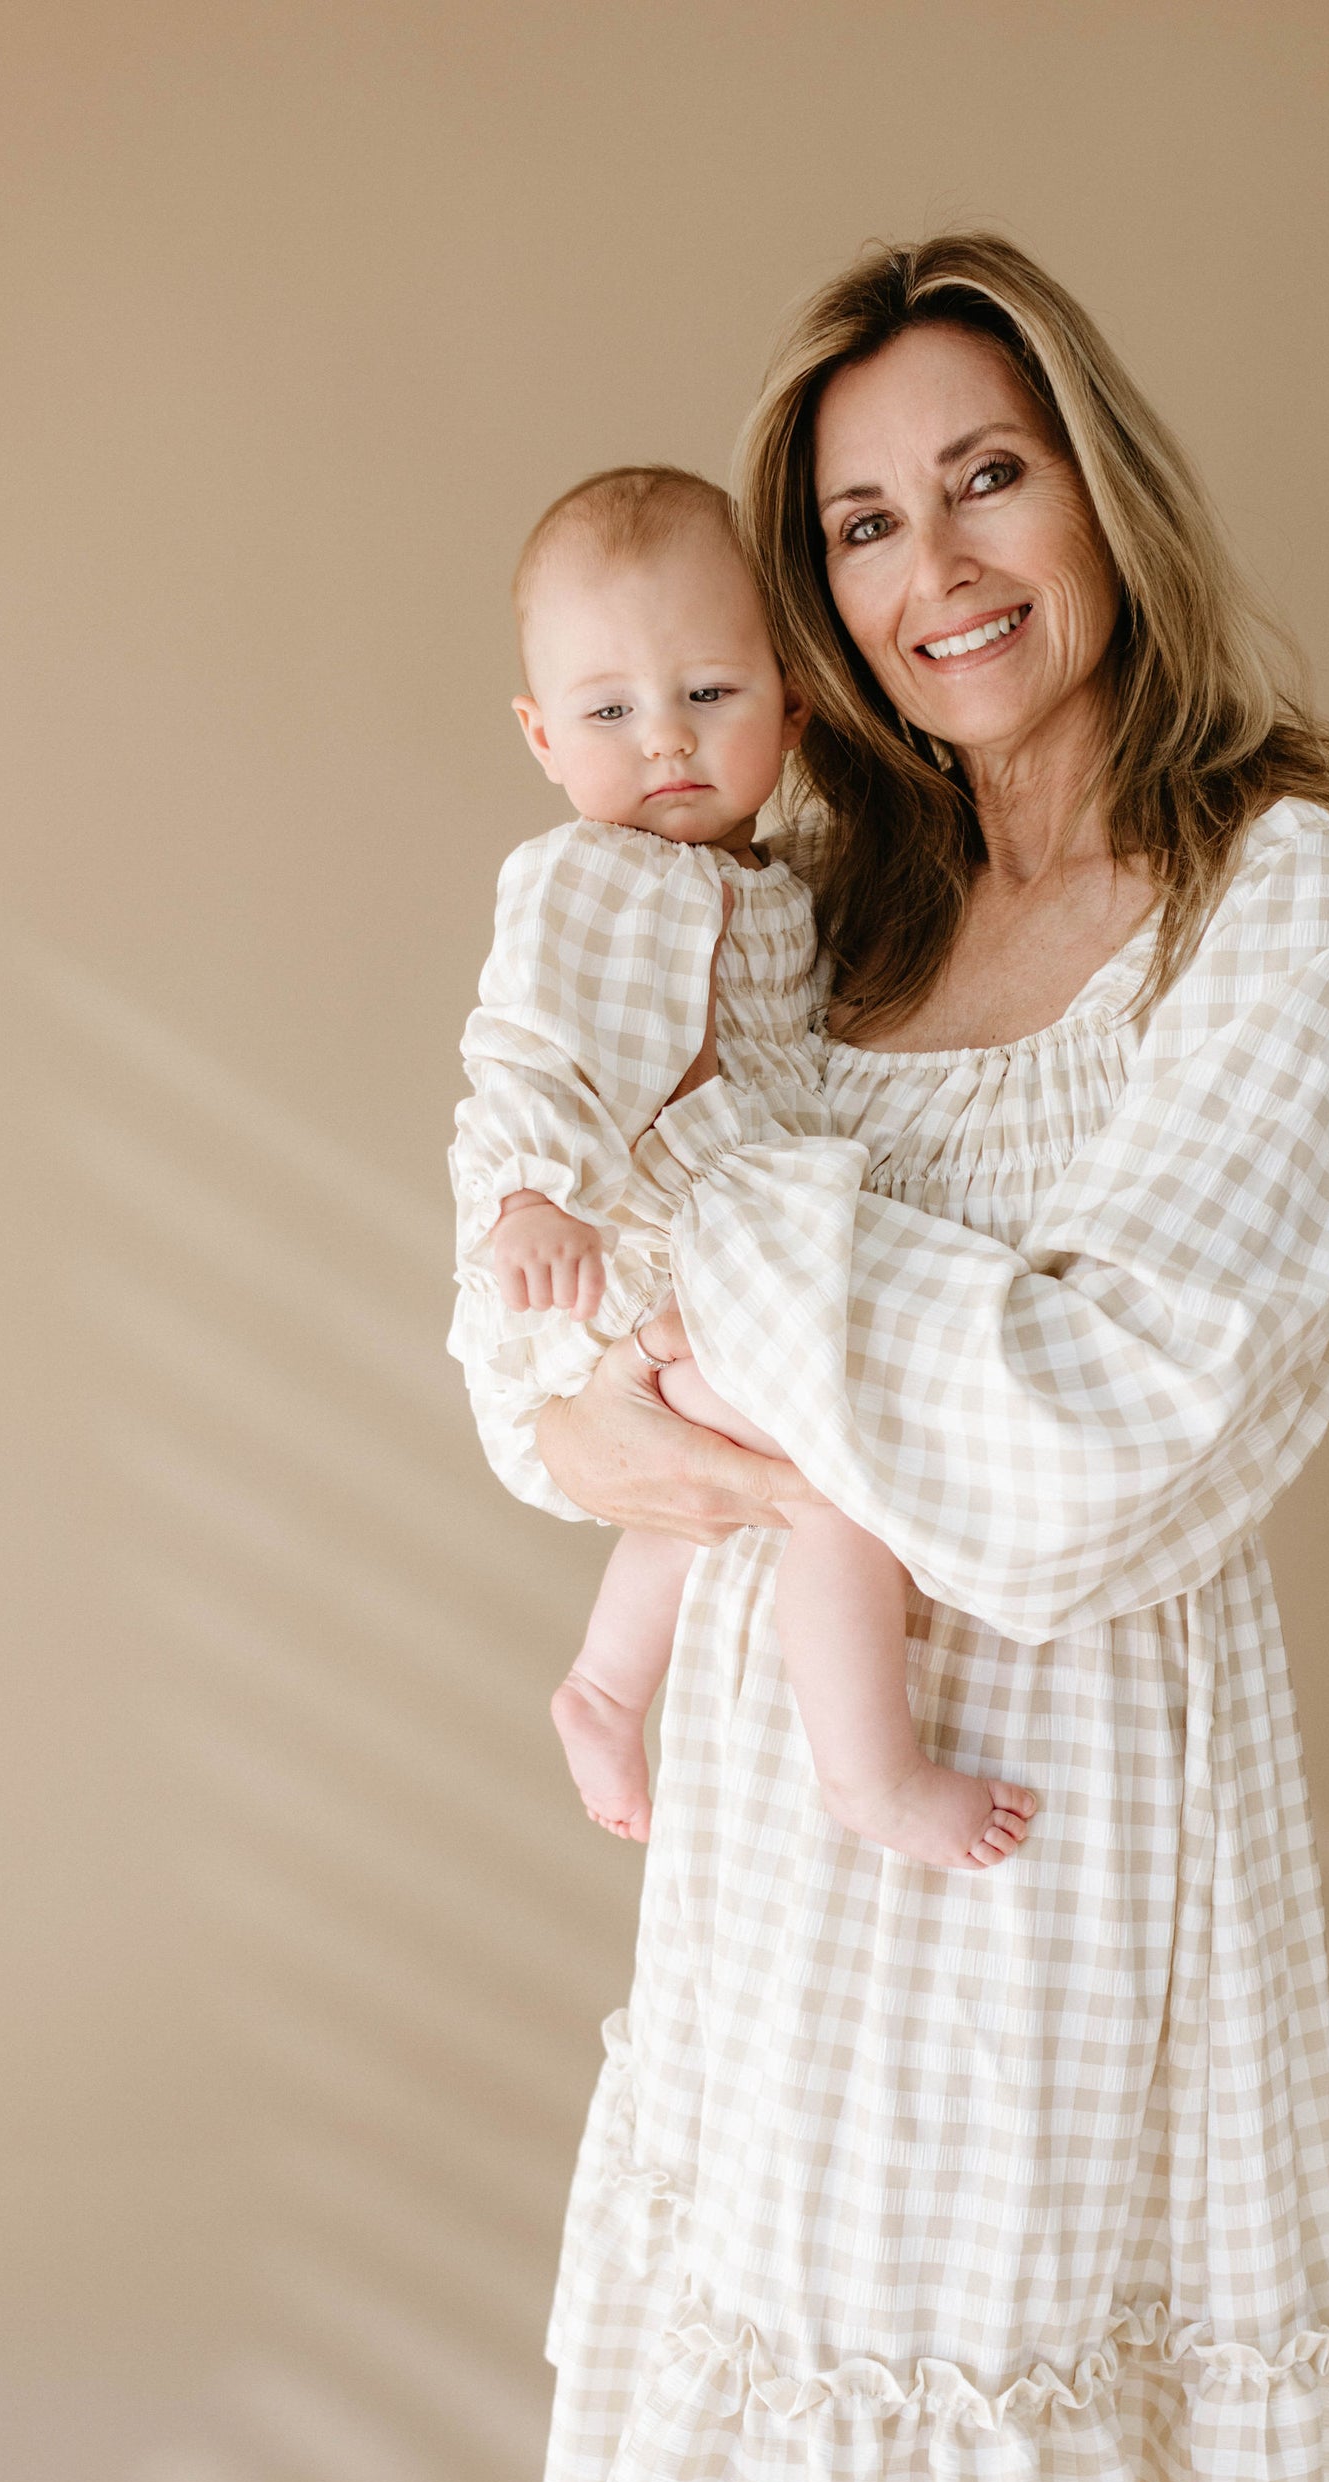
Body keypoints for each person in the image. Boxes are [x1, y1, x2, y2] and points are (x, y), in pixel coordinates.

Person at [453, 234, 1329, 2482]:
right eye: (865, 520)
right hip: (778, 1853)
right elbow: (533, 1301)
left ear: (1094, 483)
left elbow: (1092, 1446)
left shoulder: (1284, 893)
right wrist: (593, 1387)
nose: (938, 563)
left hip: (1035, 1833)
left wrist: (713, 1238)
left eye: (983, 474)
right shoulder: (816, 903)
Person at [449, 465, 1036, 1868]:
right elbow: (525, 1044)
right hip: (622, 1252)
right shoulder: (584, 877)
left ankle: (603, 1685)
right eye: (608, 712)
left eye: (708, 694)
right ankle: (872, 1777)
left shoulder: (776, 879)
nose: (664, 742)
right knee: (835, 1466)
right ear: (541, 733)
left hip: (707, 1264)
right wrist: (532, 1194)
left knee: (729, 1471)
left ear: (791, 701)